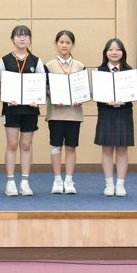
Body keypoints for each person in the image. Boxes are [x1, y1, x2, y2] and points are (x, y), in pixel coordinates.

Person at [0, 25, 45, 197]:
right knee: (12, 144)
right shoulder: (4, 60)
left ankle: (25, 182)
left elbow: (42, 85)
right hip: (11, 109)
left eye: (25, 36)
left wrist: (38, 99)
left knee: (25, 145)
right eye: (18, 35)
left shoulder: (36, 61)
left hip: (30, 110)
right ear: (12, 39)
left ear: (30, 39)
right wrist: (7, 96)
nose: (22, 38)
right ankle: (10, 182)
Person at [45, 30, 85, 195]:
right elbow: (44, 88)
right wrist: (54, 96)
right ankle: (57, 180)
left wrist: (80, 98)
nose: (64, 45)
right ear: (56, 44)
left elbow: (83, 90)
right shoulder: (48, 66)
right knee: (56, 146)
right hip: (56, 113)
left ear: (72, 45)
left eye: (68, 42)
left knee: (70, 147)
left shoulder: (80, 66)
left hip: (74, 114)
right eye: (61, 42)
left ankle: (69, 180)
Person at [94, 38, 134, 197]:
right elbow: (96, 95)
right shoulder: (99, 71)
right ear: (105, 53)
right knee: (107, 149)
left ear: (123, 52)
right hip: (106, 112)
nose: (114, 52)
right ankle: (109, 184)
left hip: (124, 112)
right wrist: (105, 100)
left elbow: (133, 94)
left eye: (117, 49)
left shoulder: (129, 71)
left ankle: (121, 185)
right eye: (110, 49)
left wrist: (125, 100)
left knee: (122, 149)